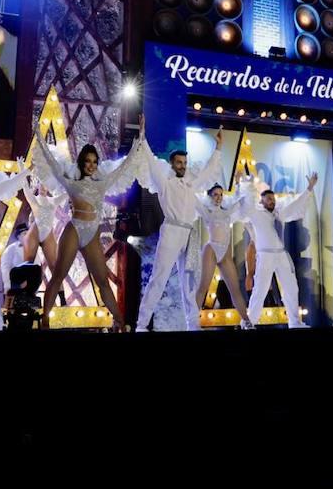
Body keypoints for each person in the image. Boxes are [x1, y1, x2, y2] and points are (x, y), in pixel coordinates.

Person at [126, 115, 226, 332]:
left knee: (189, 283)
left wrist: (218, 148)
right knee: (158, 279)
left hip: (189, 234)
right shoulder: (164, 181)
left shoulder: (191, 182)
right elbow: (151, 160)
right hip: (171, 231)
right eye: (179, 162)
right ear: (172, 164)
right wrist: (142, 136)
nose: (182, 166)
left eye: (185, 163)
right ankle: (141, 325)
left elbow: (209, 171)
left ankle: (193, 325)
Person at [31, 130, 136, 329]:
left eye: (95, 162)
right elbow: (52, 164)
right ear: (81, 162)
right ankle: (45, 319)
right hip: (74, 230)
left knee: (103, 282)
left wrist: (138, 140)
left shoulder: (103, 183)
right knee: (59, 276)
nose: (91, 165)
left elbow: (124, 167)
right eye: (88, 161)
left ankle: (120, 322)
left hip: (92, 235)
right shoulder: (71, 182)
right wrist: (39, 136)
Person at [240, 171, 318, 329]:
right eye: (268, 199)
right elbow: (246, 206)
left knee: (291, 288)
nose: (271, 201)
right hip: (265, 255)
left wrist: (309, 188)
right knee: (260, 290)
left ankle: (295, 322)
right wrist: (244, 185)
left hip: (281, 254)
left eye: (273, 199)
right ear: (261, 201)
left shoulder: (279, 214)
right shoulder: (256, 214)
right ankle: (249, 322)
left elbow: (296, 205)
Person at [195, 175, 253, 329]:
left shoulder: (227, 211)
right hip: (212, 249)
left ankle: (246, 322)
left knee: (235, 289)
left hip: (225, 253)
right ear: (210, 196)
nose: (219, 197)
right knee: (203, 287)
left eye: (221, 194)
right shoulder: (207, 210)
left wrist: (238, 183)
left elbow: (238, 199)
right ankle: (192, 321)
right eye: (215, 194)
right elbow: (193, 200)